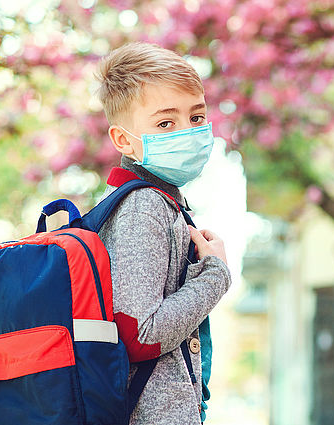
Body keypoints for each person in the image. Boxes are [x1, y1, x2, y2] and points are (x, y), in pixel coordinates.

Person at [94, 41, 231, 424]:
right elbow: (142, 333)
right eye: (165, 123)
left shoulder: (162, 202)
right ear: (123, 140)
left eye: (197, 117)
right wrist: (215, 274)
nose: (187, 132)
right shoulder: (142, 207)